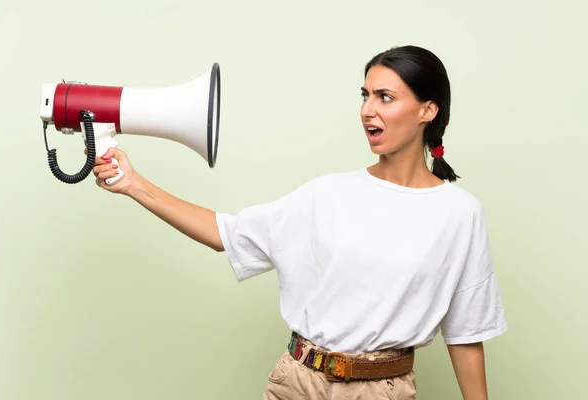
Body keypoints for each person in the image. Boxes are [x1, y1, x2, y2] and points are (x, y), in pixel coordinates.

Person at [90, 45, 507, 399]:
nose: (367, 110)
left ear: (427, 110)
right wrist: (133, 184)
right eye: (364, 96)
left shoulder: (459, 213)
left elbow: (466, 331)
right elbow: (226, 234)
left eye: (385, 97)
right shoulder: (327, 193)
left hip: (380, 389)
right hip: (297, 381)